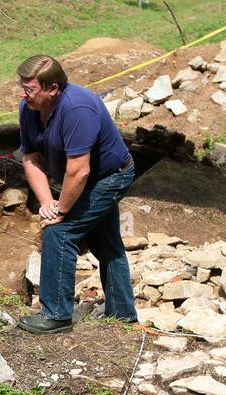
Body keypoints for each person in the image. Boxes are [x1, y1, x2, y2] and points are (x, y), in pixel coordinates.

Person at [15, 54, 138, 334]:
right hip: (83, 178)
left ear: (53, 88)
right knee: (107, 245)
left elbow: (79, 171)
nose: (23, 94)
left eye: (30, 89)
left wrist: (61, 211)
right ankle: (123, 316)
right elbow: (31, 158)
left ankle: (56, 315)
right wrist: (47, 202)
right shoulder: (29, 108)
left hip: (111, 176)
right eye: (21, 87)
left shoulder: (77, 109)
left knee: (60, 232)